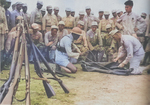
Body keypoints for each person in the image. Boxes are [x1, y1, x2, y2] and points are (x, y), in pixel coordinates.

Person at [0, 0, 8, 65]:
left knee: (1, 46)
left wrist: (6, 29)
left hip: (2, 28)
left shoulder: (2, 9)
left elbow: (5, 20)